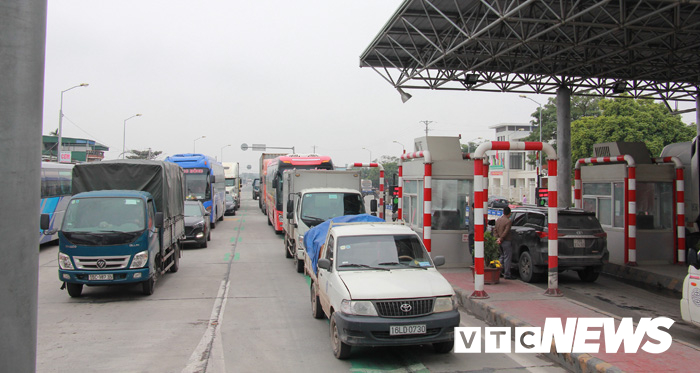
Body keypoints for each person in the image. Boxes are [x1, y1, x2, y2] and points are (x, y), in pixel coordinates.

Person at [494, 206, 514, 279]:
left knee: (501, 257)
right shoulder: (508, 221)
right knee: (507, 257)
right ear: (509, 213)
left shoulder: (498, 220)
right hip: (506, 241)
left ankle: (498, 271)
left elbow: (495, 230)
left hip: (499, 241)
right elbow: (506, 232)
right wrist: (501, 239)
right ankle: (507, 274)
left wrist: (497, 238)